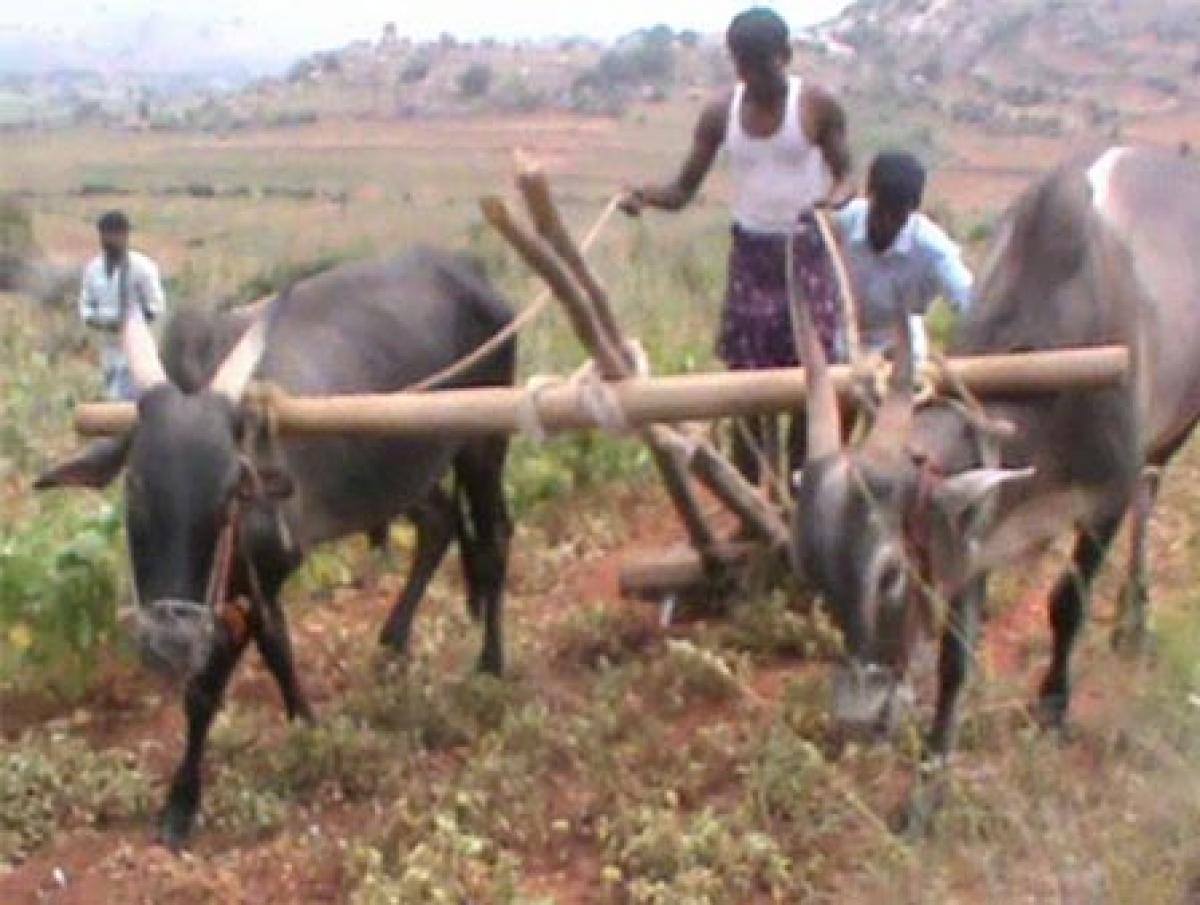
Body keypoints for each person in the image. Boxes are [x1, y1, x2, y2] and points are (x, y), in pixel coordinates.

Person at [620, 7, 852, 493]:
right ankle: (752, 502)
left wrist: (831, 202)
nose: (752, 77)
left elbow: (846, 176)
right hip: (752, 258)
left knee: (807, 382)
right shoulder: (721, 112)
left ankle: (803, 493)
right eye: (742, 66)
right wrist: (645, 197)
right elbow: (683, 190)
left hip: (805, 254)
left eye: (761, 65)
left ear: (785, 57)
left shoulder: (816, 106)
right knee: (748, 388)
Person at [833, 151, 973, 364]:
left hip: (901, 351)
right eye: (880, 212)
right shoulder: (839, 224)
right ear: (869, 195)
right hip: (839, 343)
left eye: (897, 216)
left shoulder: (935, 250)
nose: (887, 223)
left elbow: (967, 299)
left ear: (913, 209)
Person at [79, 210, 166, 400]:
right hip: (108, 348)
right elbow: (85, 309)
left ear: (126, 235)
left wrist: (131, 323)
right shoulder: (93, 269)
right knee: (111, 398)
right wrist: (106, 322)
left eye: (115, 234)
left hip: (139, 352)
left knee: (133, 401)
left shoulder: (143, 268)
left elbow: (156, 308)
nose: (109, 240)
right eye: (105, 234)